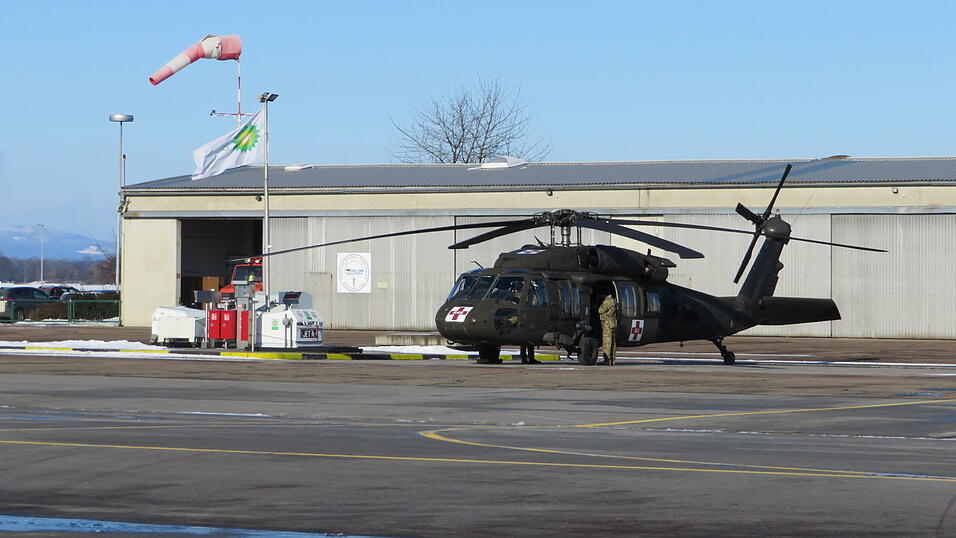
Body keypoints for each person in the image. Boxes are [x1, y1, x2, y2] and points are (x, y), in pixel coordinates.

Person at [597, 294, 618, 365]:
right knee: (613, 342)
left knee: (607, 342)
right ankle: (612, 360)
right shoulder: (614, 301)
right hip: (613, 323)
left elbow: (600, 310)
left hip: (607, 324)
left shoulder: (607, 301)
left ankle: (607, 360)